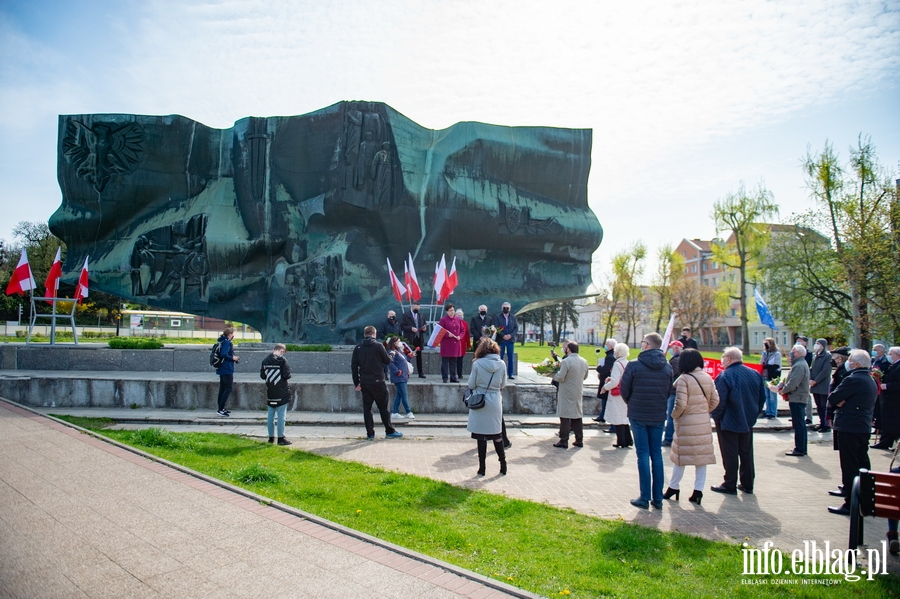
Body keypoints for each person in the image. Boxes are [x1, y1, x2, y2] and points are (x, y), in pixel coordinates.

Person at [620, 333, 673, 509]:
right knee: (656, 453)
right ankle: (657, 498)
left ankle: (645, 497)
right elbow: (667, 392)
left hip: (639, 413)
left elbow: (625, 389)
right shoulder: (667, 367)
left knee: (643, 454)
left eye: (643, 342)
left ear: (648, 344)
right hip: (657, 413)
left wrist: (633, 403)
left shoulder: (635, 365)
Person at [663, 349, 719, 506]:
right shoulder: (707, 377)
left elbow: (680, 403)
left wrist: (674, 415)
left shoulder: (684, 379)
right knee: (701, 458)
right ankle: (698, 491)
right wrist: (703, 412)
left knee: (680, 457)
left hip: (686, 422)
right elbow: (715, 400)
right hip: (703, 422)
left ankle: (673, 487)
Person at [710, 347, 766, 495]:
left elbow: (719, 401)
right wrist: (753, 413)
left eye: (723, 357)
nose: (722, 360)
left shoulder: (724, 376)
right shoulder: (754, 374)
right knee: (746, 452)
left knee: (730, 453)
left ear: (728, 359)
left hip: (728, 420)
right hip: (747, 419)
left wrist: (716, 417)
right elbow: (762, 398)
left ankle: (730, 483)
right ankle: (747, 483)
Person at [827, 349, 877, 515]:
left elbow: (833, 397)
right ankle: (864, 498)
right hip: (862, 427)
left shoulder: (854, 379)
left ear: (856, 364)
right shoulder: (869, 379)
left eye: (851, 361)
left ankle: (850, 502)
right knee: (862, 462)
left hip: (849, 426)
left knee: (850, 465)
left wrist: (840, 401)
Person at [351, 326, 404, 440]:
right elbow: (387, 361)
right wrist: (392, 354)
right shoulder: (378, 346)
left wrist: (357, 383)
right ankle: (389, 431)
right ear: (374, 334)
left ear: (365, 334)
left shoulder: (358, 348)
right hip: (378, 382)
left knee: (367, 409)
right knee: (384, 408)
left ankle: (370, 434)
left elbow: (354, 367)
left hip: (365, 382)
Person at [467, 338, 508, 476]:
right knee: (497, 434)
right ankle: (503, 464)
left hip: (480, 399)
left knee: (481, 435)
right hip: (495, 399)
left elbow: (471, 384)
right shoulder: (501, 364)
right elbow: (503, 384)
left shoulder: (477, 363)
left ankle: (482, 468)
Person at [552, 341, 590, 449]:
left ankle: (564, 440)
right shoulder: (584, 361)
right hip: (577, 390)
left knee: (565, 416)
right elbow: (585, 376)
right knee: (577, 415)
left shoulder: (566, 361)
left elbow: (560, 377)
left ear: (568, 349)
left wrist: (552, 374)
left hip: (566, 391)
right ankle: (579, 439)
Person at [779, 344, 811, 456]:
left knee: (798, 425)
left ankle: (799, 449)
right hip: (799, 397)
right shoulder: (800, 364)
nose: (791, 353)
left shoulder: (799, 365)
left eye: (792, 351)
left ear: (797, 353)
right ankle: (802, 448)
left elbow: (793, 383)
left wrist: (783, 390)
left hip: (797, 398)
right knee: (800, 424)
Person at [260, 343, 292, 445]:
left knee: (270, 414)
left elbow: (262, 375)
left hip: (271, 390)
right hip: (282, 390)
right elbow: (286, 375)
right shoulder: (283, 361)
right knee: (281, 415)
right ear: (281, 351)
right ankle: (281, 438)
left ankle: (270, 438)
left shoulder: (265, 360)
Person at [601, 343, 631, 448]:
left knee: (618, 418)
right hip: (625, 393)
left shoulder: (617, 364)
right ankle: (628, 440)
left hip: (617, 394)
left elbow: (615, 381)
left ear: (617, 352)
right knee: (624, 418)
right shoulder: (627, 363)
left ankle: (621, 441)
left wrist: (605, 387)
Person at [873, 347, 900, 450]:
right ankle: (885, 441)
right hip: (888, 399)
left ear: (897, 355)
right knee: (887, 421)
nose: (889, 355)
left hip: (895, 399)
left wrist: (887, 386)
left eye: (891, 353)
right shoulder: (892, 365)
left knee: (893, 422)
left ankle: (892, 441)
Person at [386, 336, 414, 420]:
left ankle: (395, 412)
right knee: (404, 395)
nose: (400, 342)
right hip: (399, 376)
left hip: (403, 376)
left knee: (399, 395)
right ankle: (408, 412)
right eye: (398, 341)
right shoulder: (392, 352)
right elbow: (390, 363)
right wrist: (397, 371)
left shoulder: (399, 351)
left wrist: (410, 356)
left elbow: (404, 360)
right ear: (394, 343)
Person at [662, 340, 684, 447]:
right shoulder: (678, 359)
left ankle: (668, 438)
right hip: (674, 391)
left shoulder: (676, 361)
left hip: (673, 392)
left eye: (671, 348)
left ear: (675, 348)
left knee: (671, 416)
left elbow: (670, 373)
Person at [215, 327, 240, 417]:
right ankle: (221, 409)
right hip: (226, 368)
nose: (233, 336)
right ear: (230, 334)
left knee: (223, 388)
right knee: (228, 388)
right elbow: (224, 354)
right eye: (233, 334)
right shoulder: (227, 342)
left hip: (222, 368)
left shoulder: (221, 341)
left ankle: (221, 408)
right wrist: (233, 358)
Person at [437, 304, 464, 383]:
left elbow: (463, 330)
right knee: (445, 361)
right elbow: (439, 330)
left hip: (456, 344)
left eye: (453, 310)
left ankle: (453, 377)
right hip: (447, 344)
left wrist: (460, 336)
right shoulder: (443, 320)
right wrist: (448, 335)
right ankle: (445, 377)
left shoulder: (458, 319)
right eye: (450, 311)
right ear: (447, 311)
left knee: (454, 362)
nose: (452, 312)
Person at [810, 338, 832, 431]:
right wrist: (810, 379)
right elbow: (812, 368)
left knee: (824, 406)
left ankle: (826, 425)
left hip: (823, 384)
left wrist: (816, 380)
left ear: (822, 345)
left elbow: (825, 370)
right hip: (814, 385)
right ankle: (821, 423)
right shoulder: (815, 355)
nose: (816, 345)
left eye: (818, 343)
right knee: (819, 406)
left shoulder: (827, 356)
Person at [400, 303, 428, 378]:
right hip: (409, 339)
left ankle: (420, 373)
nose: (417, 309)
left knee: (419, 356)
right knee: (408, 355)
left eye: (418, 308)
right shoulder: (405, 315)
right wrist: (411, 328)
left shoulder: (420, 316)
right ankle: (407, 372)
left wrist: (424, 329)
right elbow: (402, 326)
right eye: (415, 308)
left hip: (419, 338)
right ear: (412, 307)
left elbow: (424, 324)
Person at [493, 302, 519, 379]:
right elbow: (496, 327)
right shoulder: (497, 317)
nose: (506, 309)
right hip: (501, 340)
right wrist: (503, 335)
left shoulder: (513, 317)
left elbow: (516, 328)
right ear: (502, 308)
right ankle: (499, 373)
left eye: (507, 308)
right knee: (499, 357)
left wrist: (510, 335)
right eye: (504, 308)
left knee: (510, 357)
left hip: (510, 340)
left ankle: (510, 374)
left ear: (510, 309)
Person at [593, 338, 617, 423]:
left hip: (606, 380)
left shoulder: (610, 357)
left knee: (605, 399)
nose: (605, 346)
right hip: (606, 379)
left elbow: (604, 370)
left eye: (607, 344)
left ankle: (603, 416)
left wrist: (598, 367)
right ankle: (602, 415)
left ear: (610, 346)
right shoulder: (611, 355)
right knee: (604, 399)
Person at [760, 337, 782, 420]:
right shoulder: (765, 353)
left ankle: (773, 412)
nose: (766, 345)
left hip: (772, 376)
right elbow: (761, 362)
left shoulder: (776, 354)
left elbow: (777, 365)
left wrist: (766, 366)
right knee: (766, 395)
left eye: (767, 343)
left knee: (772, 395)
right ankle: (767, 411)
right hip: (764, 375)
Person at [455, 309, 471, 380]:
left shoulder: (465, 323)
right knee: (454, 360)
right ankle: (453, 374)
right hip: (455, 344)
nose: (460, 316)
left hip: (462, 344)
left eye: (461, 315)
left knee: (460, 361)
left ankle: (459, 374)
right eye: (458, 315)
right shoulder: (454, 322)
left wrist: (468, 345)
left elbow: (467, 334)